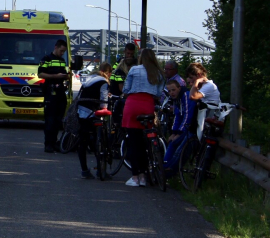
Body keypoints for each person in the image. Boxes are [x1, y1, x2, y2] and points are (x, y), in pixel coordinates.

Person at [122, 48, 165, 187]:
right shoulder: (158, 73)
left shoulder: (134, 70)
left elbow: (125, 89)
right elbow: (158, 93)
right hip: (147, 105)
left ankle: (136, 177)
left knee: (134, 144)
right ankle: (145, 176)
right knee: (146, 143)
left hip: (132, 105)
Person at [75, 62, 112, 179]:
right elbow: (103, 102)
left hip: (81, 111)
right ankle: (101, 170)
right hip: (92, 111)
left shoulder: (89, 78)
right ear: (108, 73)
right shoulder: (104, 82)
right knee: (99, 140)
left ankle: (84, 170)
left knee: (83, 141)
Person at [38, 39, 70, 153]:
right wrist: (56, 76)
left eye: (64, 52)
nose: (62, 53)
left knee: (58, 119)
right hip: (50, 91)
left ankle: (55, 142)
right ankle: (48, 144)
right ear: (56, 47)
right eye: (61, 51)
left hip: (60, 91)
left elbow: (63, 73)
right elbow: (40, 73)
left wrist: (66, 76)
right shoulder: (46, 59)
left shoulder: (62, 60)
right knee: (50, 119)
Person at [163, 79, 196, 173]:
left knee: (175, 143)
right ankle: (164, 165)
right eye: (169, 91)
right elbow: (177, 116)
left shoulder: (185, 95)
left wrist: (179, 133)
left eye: (173, 90)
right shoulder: (176, 99)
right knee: (171, 142)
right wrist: (173, 132)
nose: (171, 93)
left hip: (191, 126)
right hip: (184, 126)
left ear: (179, 88)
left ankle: (167, 168)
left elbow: (187, 115)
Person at [186, 62, 221, 139]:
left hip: (209, 120)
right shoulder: (203, 87)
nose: (191, 81)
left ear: (198, 75)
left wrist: (196, 82)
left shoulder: (209, 86)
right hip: (203, 120)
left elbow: (192, 96)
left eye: (192, 77)